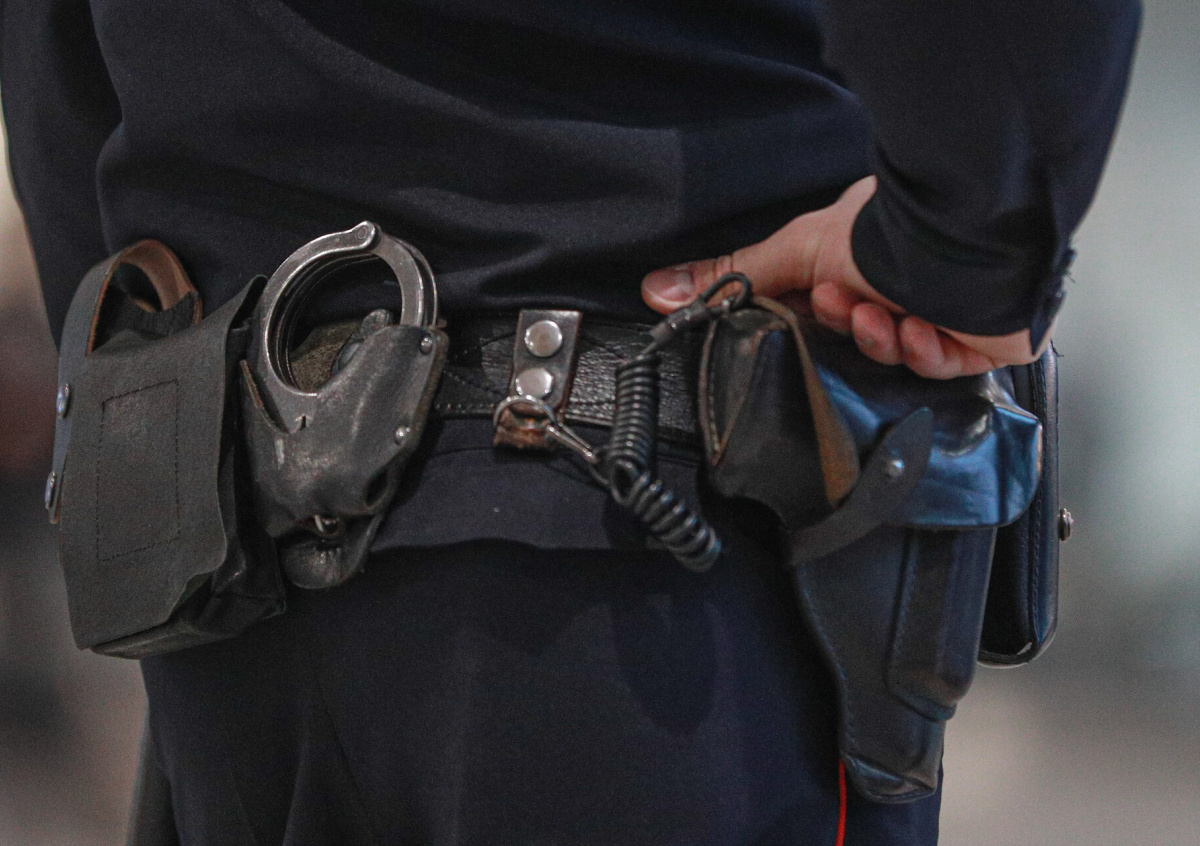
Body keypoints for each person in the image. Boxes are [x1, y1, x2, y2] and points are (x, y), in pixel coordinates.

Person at [1, 1, 1139, 843]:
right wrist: (961, 252)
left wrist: (157, 414)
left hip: (236, 594)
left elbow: (58, 82)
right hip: (658, 579)